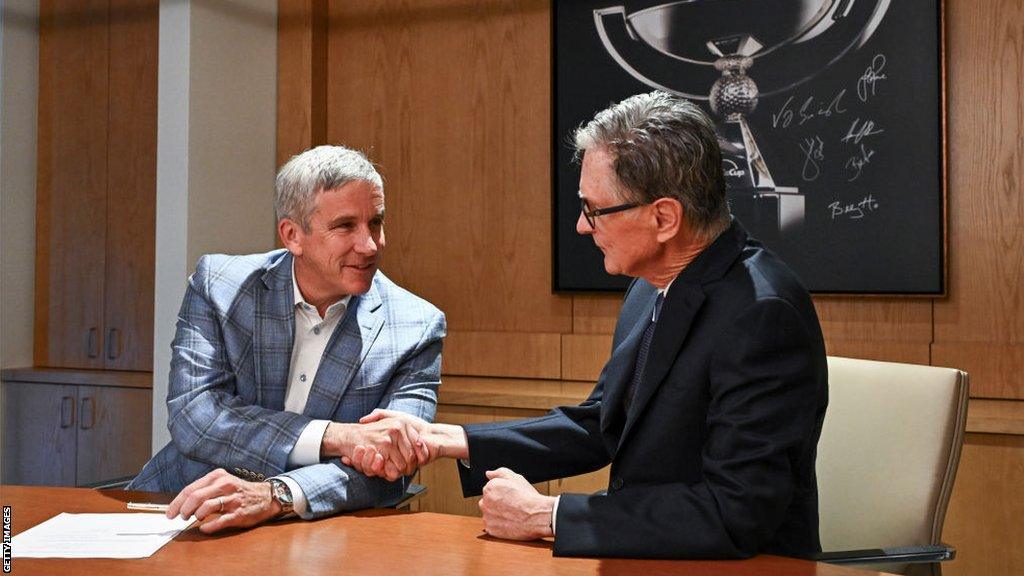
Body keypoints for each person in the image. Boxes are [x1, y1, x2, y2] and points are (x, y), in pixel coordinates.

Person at [349, 91, 829, 559]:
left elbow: (734, 511)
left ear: (664, 217)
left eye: (594, 210)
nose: (582, 227)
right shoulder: (651, 285)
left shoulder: (764, 315)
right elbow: (604, 423)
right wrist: (451, 440)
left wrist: (548, 516)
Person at [128, 145, 446, 534]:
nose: (370, 245)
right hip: (180, 507)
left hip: (315, 531)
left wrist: (278, 495)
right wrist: (337, 437)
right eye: (346, 226)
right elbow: (194, 416)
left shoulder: (417, 326)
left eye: (375, 223)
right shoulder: (220, 286)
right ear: (292, 235)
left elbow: (393, 465)